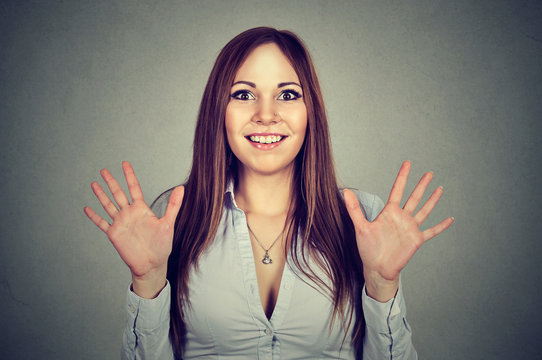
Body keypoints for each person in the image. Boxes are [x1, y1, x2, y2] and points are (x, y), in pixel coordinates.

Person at [84, 27, 453, 359]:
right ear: (219, 110)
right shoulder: (174, 218)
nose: (266, 114)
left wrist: (382, 286)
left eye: (288, 94)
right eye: (243, 94)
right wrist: (147, 282)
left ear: (312, 112)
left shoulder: (362, 220)